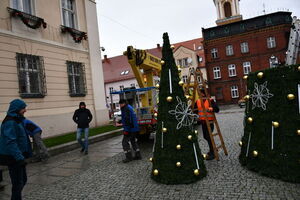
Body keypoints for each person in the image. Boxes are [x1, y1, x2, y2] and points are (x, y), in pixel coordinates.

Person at [0, 99, 32, 200]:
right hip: (13, 158)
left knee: (23, 180)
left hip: (19, 156)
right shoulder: (10, 122)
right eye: (23, 108)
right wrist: (19, 157)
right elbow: (11, 142)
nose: (25, 110)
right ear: (17, 109)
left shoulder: (17, 119)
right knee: (18, 184)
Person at [195, 89, 219, 160]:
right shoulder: (198, 101)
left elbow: (217, 109)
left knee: (209, 137)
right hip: (203, 122)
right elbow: (195, 110)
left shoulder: (210, 100)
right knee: (206, 136)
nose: (199, 94)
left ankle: (213, 152)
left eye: (200, 93)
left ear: (203, 94)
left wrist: (212, 108)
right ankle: (213, 148)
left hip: (210, 122)